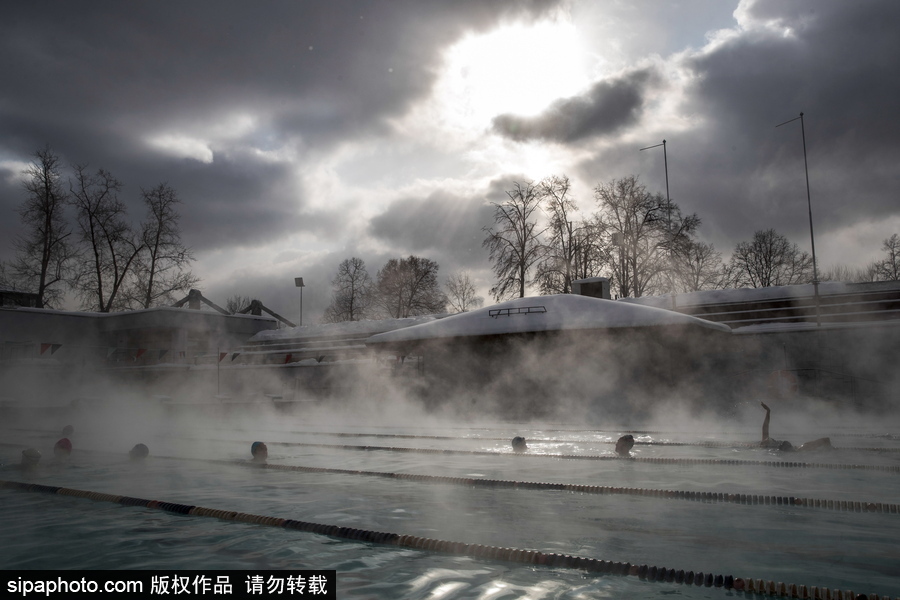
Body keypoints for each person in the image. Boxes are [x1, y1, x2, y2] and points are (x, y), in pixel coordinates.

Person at [760, 402, 832, 452]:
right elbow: (765, 427)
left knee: (802, 448)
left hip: (788, 448)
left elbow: (765, 426)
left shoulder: (765, 443)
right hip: (790, 448)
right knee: (805, 447)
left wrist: (768, 411)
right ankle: (828, 447)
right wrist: (768, 411)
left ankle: (827, 447)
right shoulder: (766, 444)